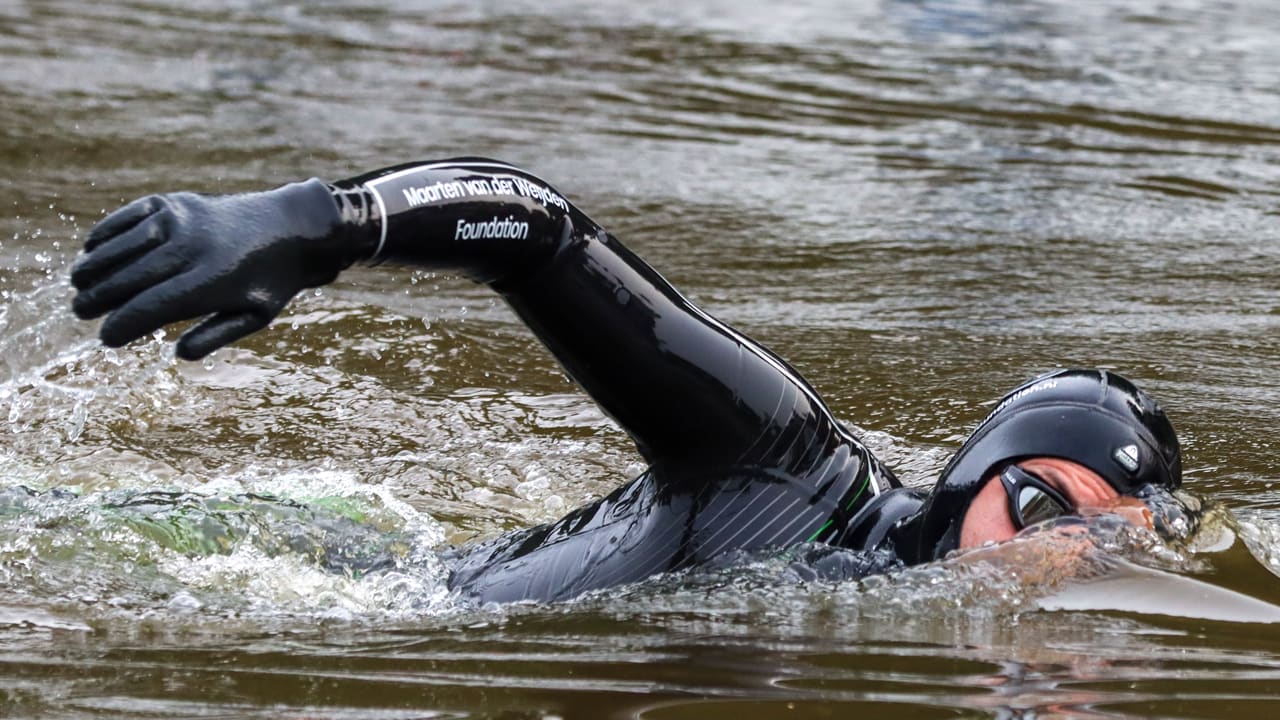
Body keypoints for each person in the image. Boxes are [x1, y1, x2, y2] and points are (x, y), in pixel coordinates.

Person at [69, 158, 1183, 604]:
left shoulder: (886, 599)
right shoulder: (785, 463)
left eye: (1105, 544)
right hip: (312, 595)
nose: (1058, 555)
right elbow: (541, 232)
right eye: (1041, 505)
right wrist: (320, 224)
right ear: (974, 475)